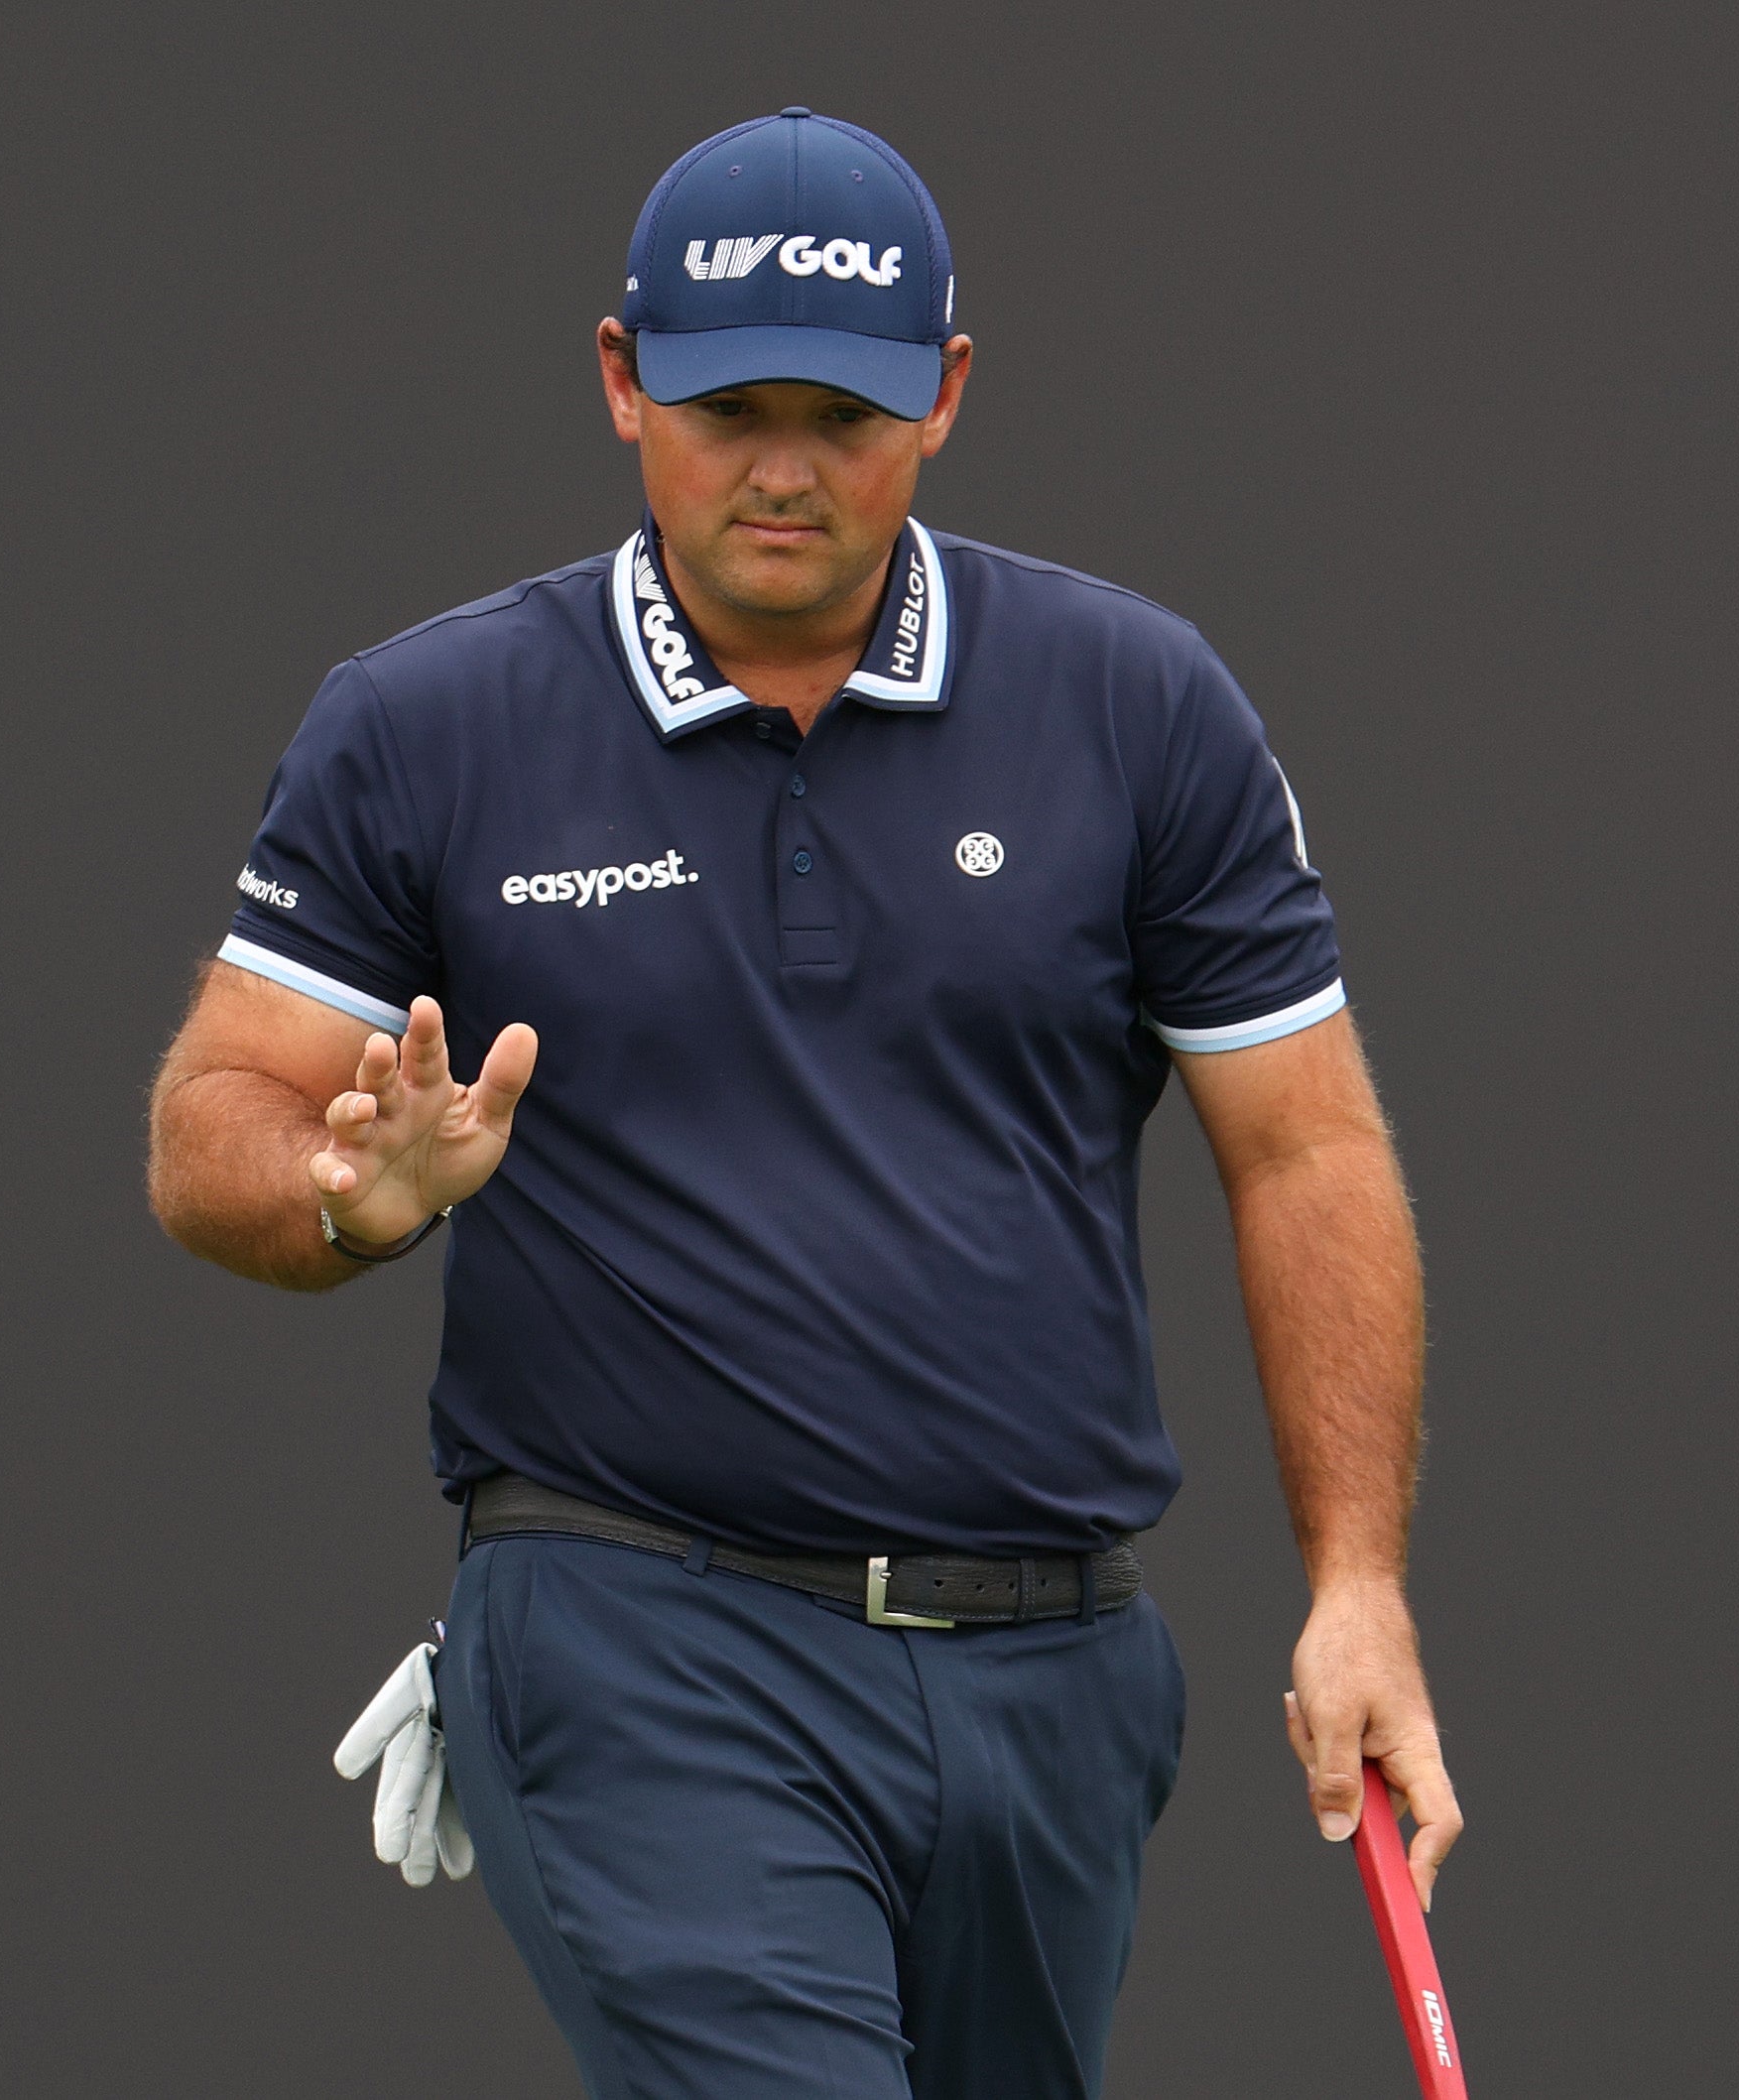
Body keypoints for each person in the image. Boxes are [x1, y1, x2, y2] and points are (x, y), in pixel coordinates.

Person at [146, 106, 1458, 2100]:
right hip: (644, 1637)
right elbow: (213, 1121)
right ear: (619, 383)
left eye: (838, 415)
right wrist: (351, 1193)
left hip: (1053, 1675)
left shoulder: (1135, 704)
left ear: (938, 394)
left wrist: (1355, 1583)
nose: (779, 469)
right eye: (723, 404)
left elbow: (1306, 1147)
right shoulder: (432, 725)